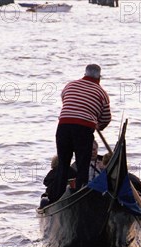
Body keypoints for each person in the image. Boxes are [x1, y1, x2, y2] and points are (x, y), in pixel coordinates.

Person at [50, 64, 112, 203]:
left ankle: (57, 198)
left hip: (63, 126)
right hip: (83, 129)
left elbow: (65, 100)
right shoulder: (102, 93)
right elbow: (106, 118)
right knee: (83, 165)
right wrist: (98, 125)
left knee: (63, 164)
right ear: (99, 77)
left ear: (85, 73)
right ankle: (80, 196)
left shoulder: (70, 85)